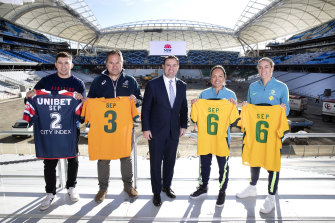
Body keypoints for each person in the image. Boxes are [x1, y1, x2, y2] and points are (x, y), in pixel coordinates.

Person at [25, 52, 85, 211]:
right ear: (55, 64)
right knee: (49, 161)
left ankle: (71, 187)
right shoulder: (45, 81)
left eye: (67, 63)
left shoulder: (78, 83)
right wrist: (29, 95)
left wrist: (80, 99)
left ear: (72, 65)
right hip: (49, 129)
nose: (64, 66)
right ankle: (50, 192)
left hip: (71, 128)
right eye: (60, 63)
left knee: (73, 158)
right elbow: (31, 100)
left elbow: (83, 110)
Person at [87, 49, 142, 202]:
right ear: (106, 64)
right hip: (104, 128)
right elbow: (90, 101)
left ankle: (128, 186)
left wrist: (136, 100)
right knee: (103, 157)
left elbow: (140, 99)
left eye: (117, 62)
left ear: (122, 63)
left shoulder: (131, 80)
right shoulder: (98, 81)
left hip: (124, 128)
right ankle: (103, 188)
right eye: (111, 62)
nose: (114, 65)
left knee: (126, 157)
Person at [236, 57, 289, 214]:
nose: (263, 70)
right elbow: (250, 108)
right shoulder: (252, 86)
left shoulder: (281, 87)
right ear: (257, 69)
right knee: (254, 158)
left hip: (272, 133)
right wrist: (245, 107)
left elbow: (286, 112)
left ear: (272, 69)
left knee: (272, 164)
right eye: (260, 67)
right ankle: (252, 187)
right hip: (256, 132)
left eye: (266, 67)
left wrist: (282, 108)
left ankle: (271, 196)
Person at [141, 55, 188, 207]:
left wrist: (183, 125)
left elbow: (183, 107)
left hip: (173, 132)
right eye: (168, 65)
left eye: (174, 65)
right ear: (163, 66)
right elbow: (146, 108)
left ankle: (166, 187)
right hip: (155, 132)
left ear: (178, 67)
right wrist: (146, 128)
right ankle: (156, 193)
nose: (171, 68)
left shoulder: (182, 85)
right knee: (155, 164)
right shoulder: (153, 84)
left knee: (170, 162)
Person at [189, 65, 238, 207]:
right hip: (206, 139)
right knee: (204, 164)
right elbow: (195, 119)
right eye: (214, 76)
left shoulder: (231, 95)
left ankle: (222, 191)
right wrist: (194, 106)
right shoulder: (203, 94)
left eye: (220, 76)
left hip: (222, 139)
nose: (217, 79)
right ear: (210, 78)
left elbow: (234, 120)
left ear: (224, 78)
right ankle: (203, 187)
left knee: (223, 167)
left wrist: (234, 107)